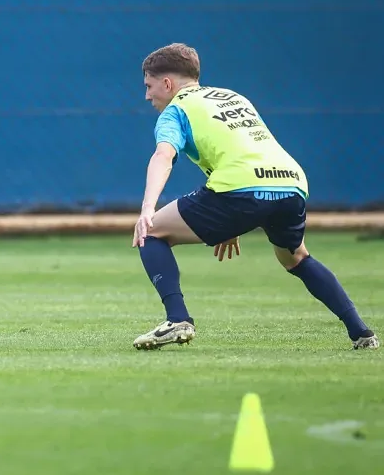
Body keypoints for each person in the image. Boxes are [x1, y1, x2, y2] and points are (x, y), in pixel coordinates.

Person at [130, 43, 377, 350]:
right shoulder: (233, 97)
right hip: (291, 183)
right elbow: (241, 148)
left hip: (239, 188)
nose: (147, 95)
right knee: (295, 256)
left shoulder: (175, 111)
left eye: (149, 86)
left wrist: (147, 209)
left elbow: (163, 156)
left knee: (151, 232)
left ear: (167, 83)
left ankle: (178, 319)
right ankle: (362, 332)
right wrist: (231, 223)